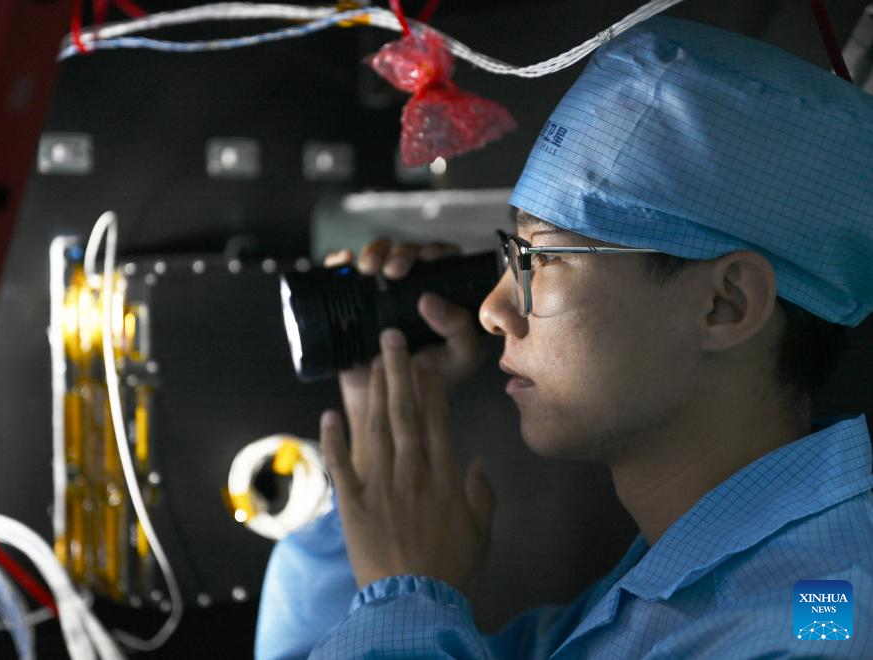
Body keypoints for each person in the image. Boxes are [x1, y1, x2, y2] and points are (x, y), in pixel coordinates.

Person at [255, 16, 873, 659]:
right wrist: (381, 458)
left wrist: (404, 591)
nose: (492, 310)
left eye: (543, 258)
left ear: (726, 304)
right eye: (512, 254)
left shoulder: (823, 620)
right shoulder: (654, 602)